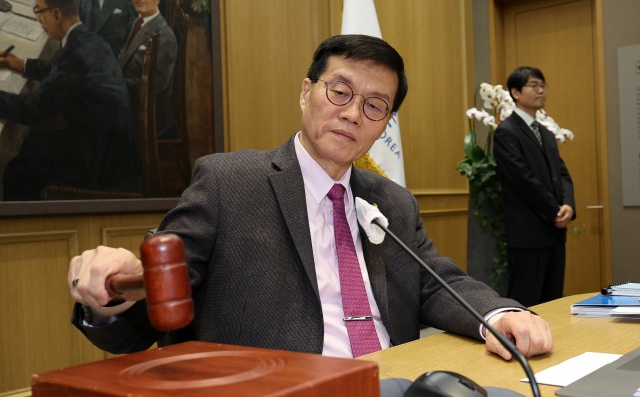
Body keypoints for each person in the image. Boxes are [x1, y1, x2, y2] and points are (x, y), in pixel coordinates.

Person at [68, 35, 553, 361]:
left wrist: (498, 313)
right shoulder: (229, 182)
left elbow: (435, 282)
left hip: (391, 380)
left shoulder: (393, 202)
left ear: (384, 124)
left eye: (374, 106)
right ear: (306, 92)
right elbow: (154, 303)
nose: (352, 114)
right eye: (339, 91)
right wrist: (108, 294)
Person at [0, 0, 139, 200]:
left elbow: (30, 110)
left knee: (16, 168)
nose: (39, 19)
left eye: (39, 11)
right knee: (30, 147)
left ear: (56, 14)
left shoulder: (71, 56)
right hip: (114, 147)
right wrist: (23, 64)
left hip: (101, 163)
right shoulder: (88, 38)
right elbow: (62, 72)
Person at [493, 67, 576, 307]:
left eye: (543, 85)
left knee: (553, 301)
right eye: (534, 85)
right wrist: (553, 211)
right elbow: (522, 179)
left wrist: (568, 205)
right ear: (516, 92)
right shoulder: (506, 132)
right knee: (526, 301)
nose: (541, 90)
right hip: (528, 233)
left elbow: (561, 174)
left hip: (554, 233)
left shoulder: (546, 134)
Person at [119, 0, 178, 139]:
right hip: (130, 99)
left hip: (148, 112)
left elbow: (158, 83)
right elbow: (123, 59)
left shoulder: (165, 36)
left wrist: (121, 87)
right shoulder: (138, 22)